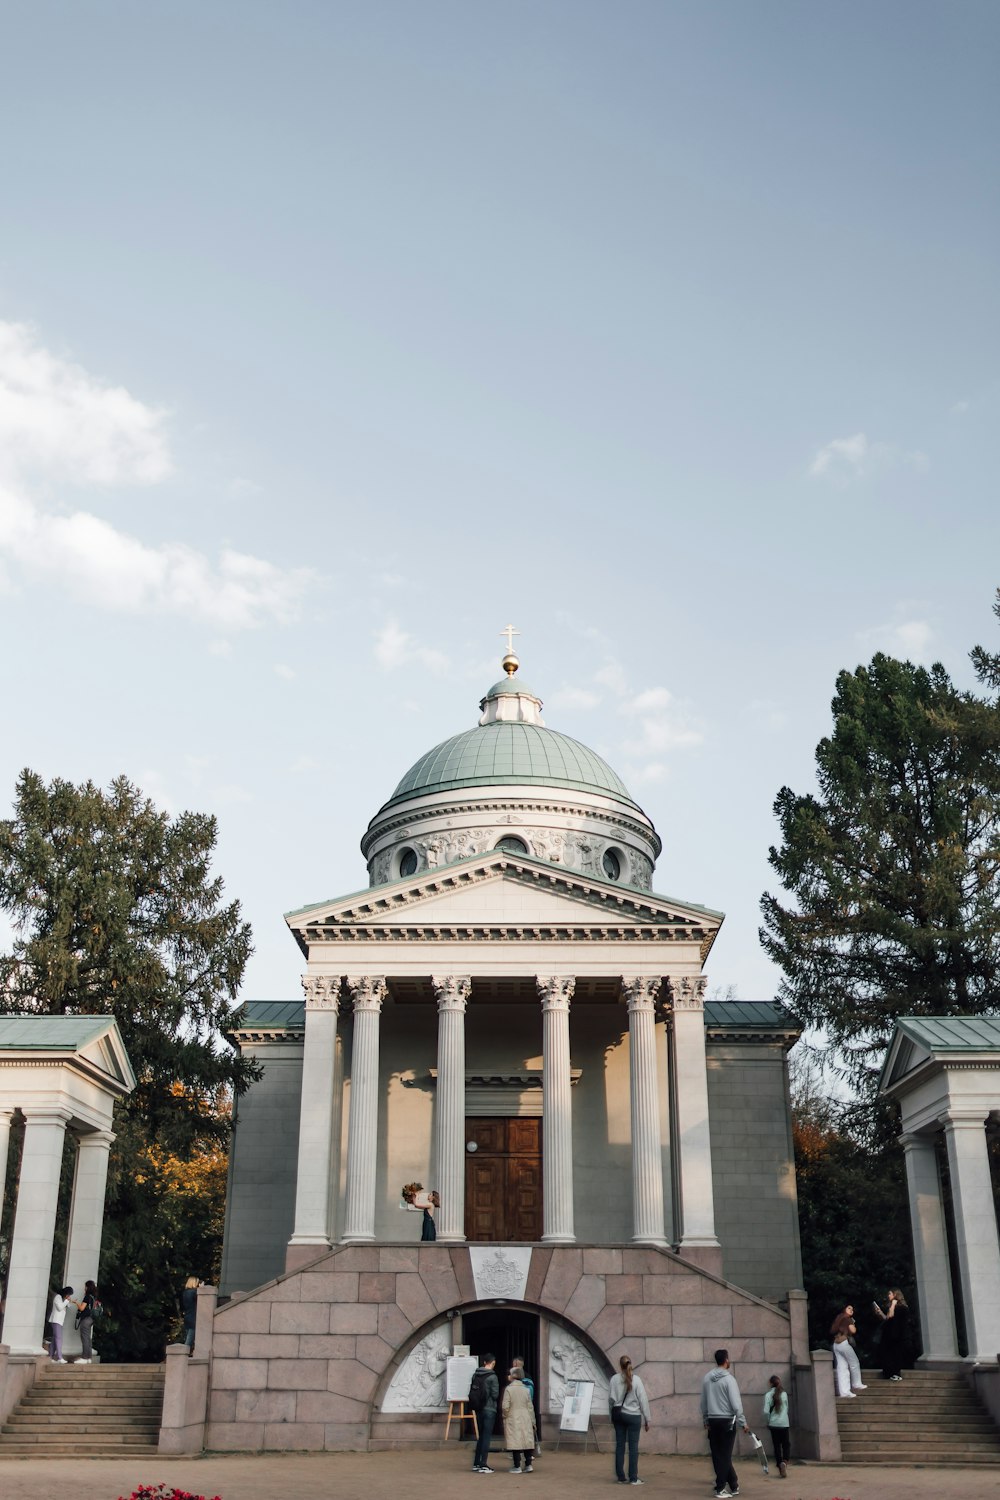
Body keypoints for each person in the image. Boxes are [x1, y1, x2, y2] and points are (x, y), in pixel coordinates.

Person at [700, 1348, 749, 1500]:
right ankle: (720, 1487)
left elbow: (703, 1402)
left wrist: (706, 1419)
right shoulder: (730, 1380)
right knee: (725, 1455)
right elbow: (736, 1405)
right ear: (726, 1360)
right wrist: (743, 1422)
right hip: (728, 1421)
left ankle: (733, 1485)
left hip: (713, 1421)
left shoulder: (707, 1378)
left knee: (718, 1454)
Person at [608, 1353, 650, 1486]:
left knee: (620, 1446)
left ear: (620, 1366)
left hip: (618, 1415)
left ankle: (621, 1477)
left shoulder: (614, 1379)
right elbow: (643, 1400)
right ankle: (633, 1477)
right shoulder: (636, 1380)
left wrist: (612, 1415)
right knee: (633, 1448)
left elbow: (611, 1399)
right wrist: (647, 1419)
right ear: (631, 1364)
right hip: (633, 1416)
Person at [502, 1367, 537, 1474]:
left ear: (513, 1376)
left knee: (515, 1441)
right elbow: (530, 1407)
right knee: (526, 1440)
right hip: (526, 1415)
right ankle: (528, 1464)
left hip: (513, 1416)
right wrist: (533, 1421)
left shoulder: (509, 1389)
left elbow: (505, 1406)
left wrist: (505, 1416)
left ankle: (517, 1465)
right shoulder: (526, 1389)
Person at [471, 1352, 500, 1474]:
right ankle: (483, 1464)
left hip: (478, 1409)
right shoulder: (493, 1377)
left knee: (481, 1436)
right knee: (486, 1437)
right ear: (493, 1363)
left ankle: (476, 1463)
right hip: (489, 1409)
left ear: (483, 1362)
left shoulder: (475, 1375)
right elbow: (495, 1395)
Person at [830, 1304, 866, 1397]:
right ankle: (856, 1383)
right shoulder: (847, 1318)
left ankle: (844, 1392)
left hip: (836, 1344)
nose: (851, 1310)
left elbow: (833, 1330)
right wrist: (853, 1323)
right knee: (854, 1362)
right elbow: (853, 1330)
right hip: (844, 1343)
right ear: (844, 1309)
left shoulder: (839, 1317)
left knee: (842, 1368)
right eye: (849, 1308)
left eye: (852, 1309)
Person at [874, 1288, 909, 1381]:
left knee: (895, 1354)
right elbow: (888, 1319)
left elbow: (891, 1316)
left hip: (897, 1335)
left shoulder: (902, 1308)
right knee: (887, 1354)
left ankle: (895, 1373)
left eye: (890, 1294)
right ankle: (889, 1372)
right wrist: (880, 1313)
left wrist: (893, 1304)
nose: (888, 1296)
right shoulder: (892, 1307)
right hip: (889, 1335)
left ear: (895, 1295)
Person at [763, 1373, 790, 1478]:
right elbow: (787, 1408)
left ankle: (779, 1465)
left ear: (770, 1383)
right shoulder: (784, 1394)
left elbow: (766, 1411)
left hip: (773, 1424)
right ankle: (785, 1461)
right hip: (784, 1423)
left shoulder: (768, 1395)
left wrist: (768, 1420)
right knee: (786, 1444)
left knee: (777, 1445)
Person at [47, 1286, 76, 1363]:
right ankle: (60, 1357)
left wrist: (68, 1301)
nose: (69, 1296)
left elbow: (67, 1306)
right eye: (68, 1295)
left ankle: (50, 1357)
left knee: (54, 1339)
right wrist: (66, 1301)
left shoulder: (63, 1299)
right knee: (58, 1338)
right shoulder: (58, 1297)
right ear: (65, 1293)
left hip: (59, 1321)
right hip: (56, 1320)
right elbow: (59, 1308)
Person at [75, 1280, 99, 1364]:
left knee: (84, 1338)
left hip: (86, 1319)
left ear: (87, 1287)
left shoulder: (87, 1297)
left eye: (85, 1286)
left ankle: (84, 1357)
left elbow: (82, 1308)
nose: (84, 1288)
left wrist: (76, 1303)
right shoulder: (94, 1297)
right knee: (88, 1338)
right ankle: (89, 1357)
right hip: (91, 1319)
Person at [182, 1276, 199, 1350]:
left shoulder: (185, 1292)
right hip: (193, 1318)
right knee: (189, 1341)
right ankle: (181, 1355)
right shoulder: (194, 1292)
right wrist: (202, 1289)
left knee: (188, 1337)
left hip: (187, 1317)